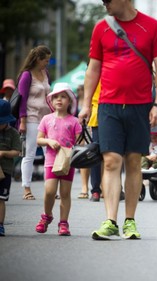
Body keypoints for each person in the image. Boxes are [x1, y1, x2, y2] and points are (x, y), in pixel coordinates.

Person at [79, 0, 157, 240]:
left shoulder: (152, 27)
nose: (104, 2)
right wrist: (86, 104)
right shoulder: (101, 27)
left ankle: (130, 221)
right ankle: (110, 220)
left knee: (132, 162)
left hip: (140, 107)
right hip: (108, 105)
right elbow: (93, 69)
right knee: (110, 161)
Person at [35, 83, 81, 236]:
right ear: (51, 101)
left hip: (68, 162)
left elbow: (79, 142)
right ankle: (46, 216)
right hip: (50, 161)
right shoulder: (46, 119)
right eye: (55, 97)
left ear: (69, 101)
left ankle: (63, 223)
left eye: (63, 97)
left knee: (65, 193)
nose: (59, 100)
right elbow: (39, 140)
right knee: (49, 191)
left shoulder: (74, 121)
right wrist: (49, 141)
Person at [18, 45, 52, 200]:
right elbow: (22, 100)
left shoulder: (45, 73)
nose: (47, 63)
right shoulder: (26, 75)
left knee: (49, 153)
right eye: (46, 60)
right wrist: (22, 121)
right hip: (31, 118)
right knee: (30, 153)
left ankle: (49, 187)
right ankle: (26, 188)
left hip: (46, 118)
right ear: (38, 59)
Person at [0, 100, 22, 236]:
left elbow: (17, 152)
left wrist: (3, 153)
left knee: (1, 199)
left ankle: (0, 225)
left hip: (5, 172)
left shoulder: (13, 133)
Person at [76, 84, 90, 199]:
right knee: (84, 155)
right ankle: (84, 187)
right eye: (78, 90)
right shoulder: (75, 101)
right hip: (81, 128)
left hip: (94, 124)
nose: (79, 91)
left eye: (81, 89)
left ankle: (99, 186)